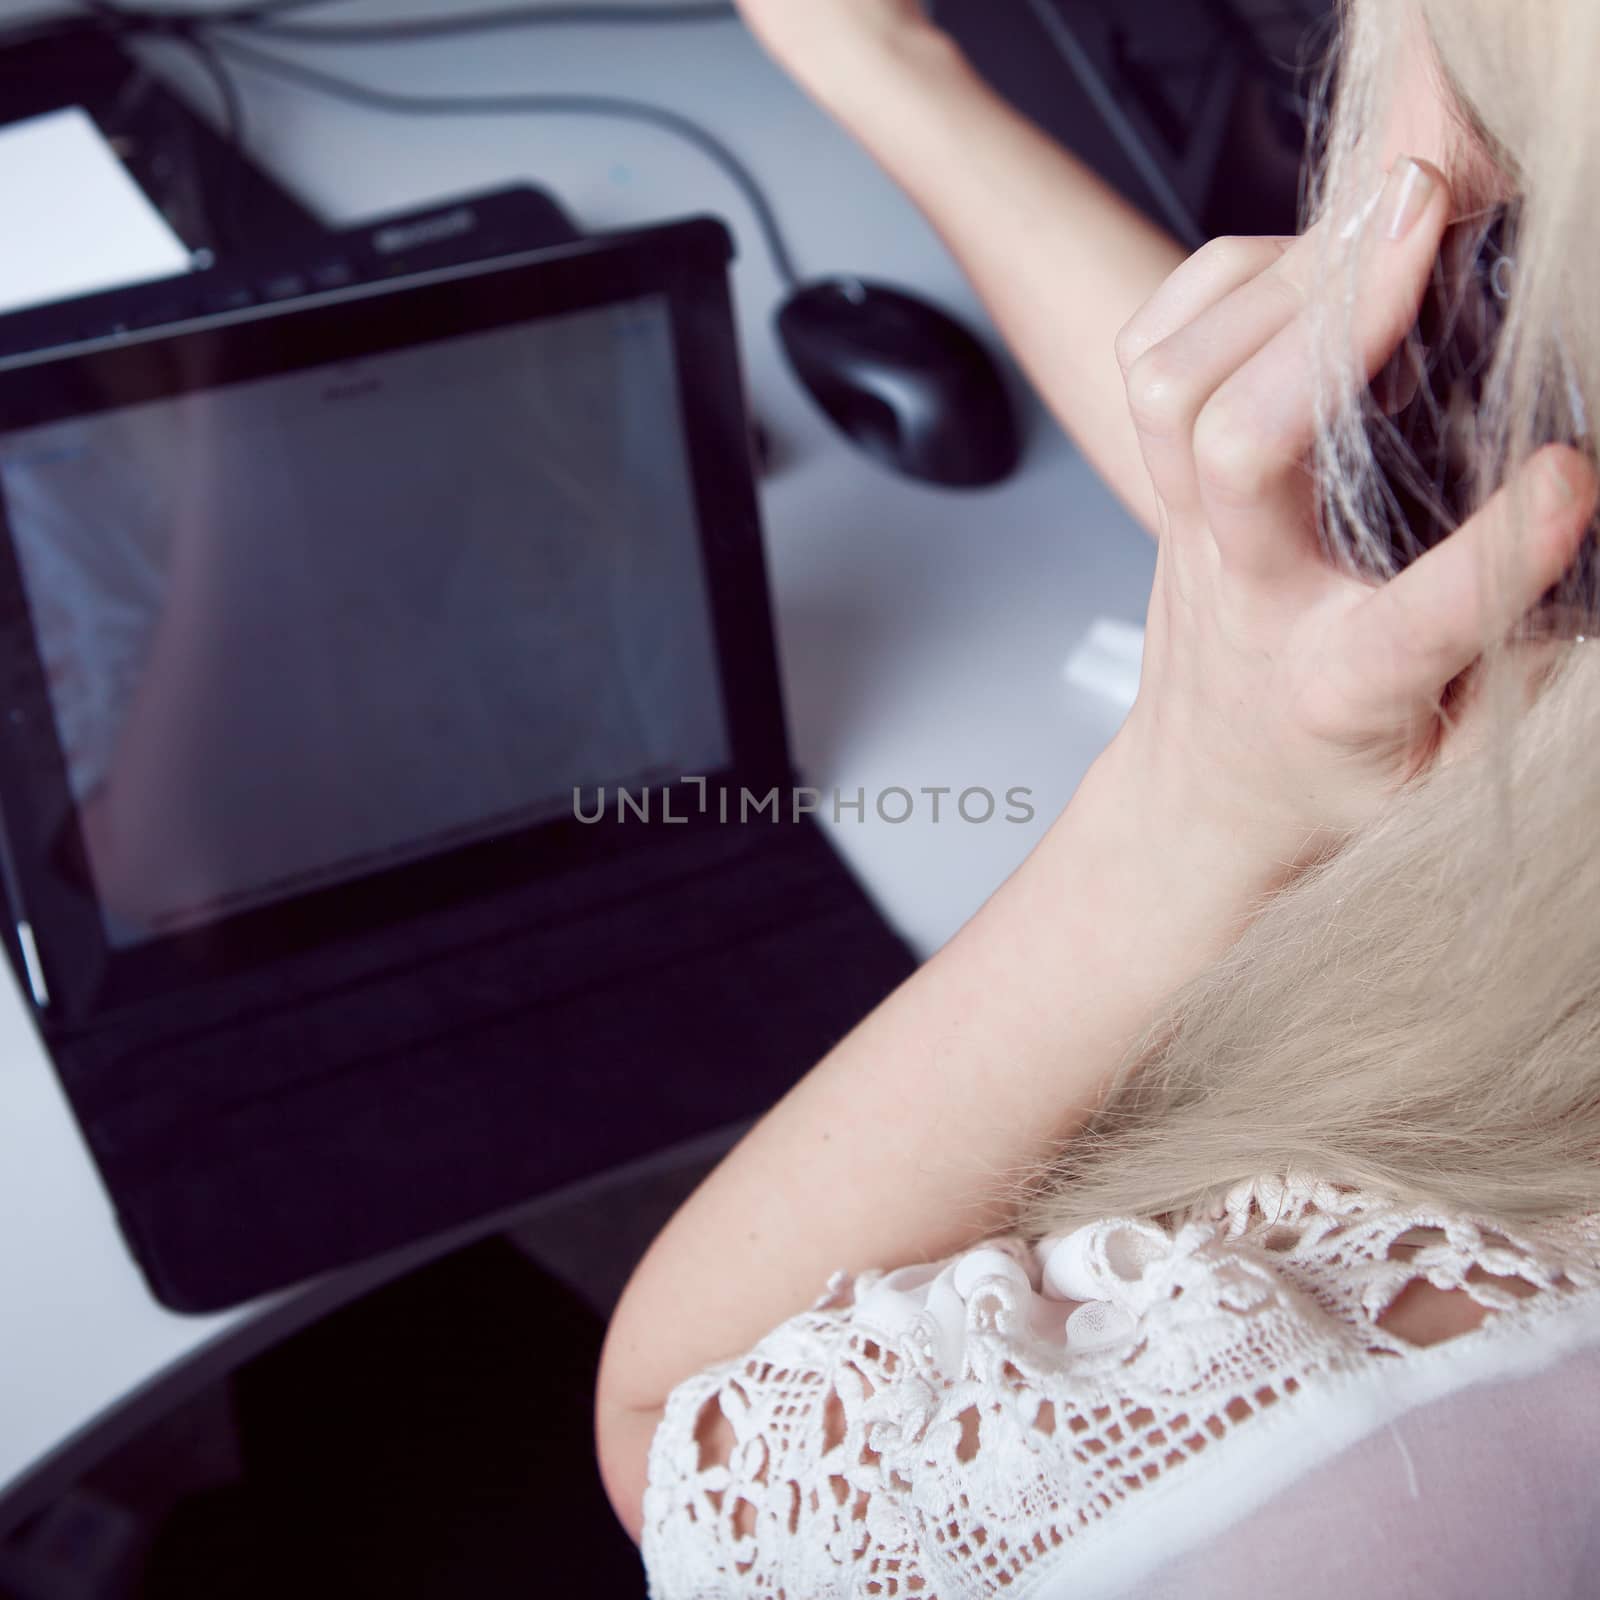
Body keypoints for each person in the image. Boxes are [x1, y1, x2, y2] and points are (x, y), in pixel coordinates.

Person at [596, 0, 1600, 1593]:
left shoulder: (1269, 1495)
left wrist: (1191, 802)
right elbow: (1384, 585)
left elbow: (685, 1439)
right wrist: (875, 58)